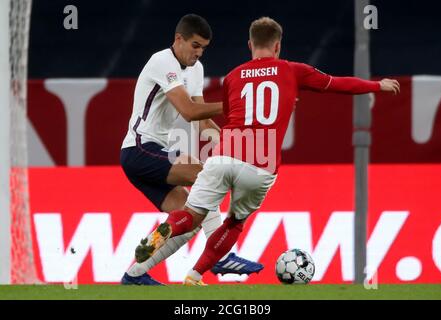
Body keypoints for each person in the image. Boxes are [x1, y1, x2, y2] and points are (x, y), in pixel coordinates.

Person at [134, 16, 401, 285]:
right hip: (260, 165)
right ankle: (194, 276)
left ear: (250, 44)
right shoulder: (293, 70)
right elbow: (336, 84)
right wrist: (377, 85)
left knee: (191, 217)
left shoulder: (232, 76)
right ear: (277, 46)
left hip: (224, 156)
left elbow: (234, 115)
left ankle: (166, 231)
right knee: (234, 223)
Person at [120, 14, 263, 286]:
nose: (198, 53)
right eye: (195, 45)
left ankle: (134, 275)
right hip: (138, 149)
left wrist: (235, 148)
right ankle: (221, 255)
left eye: (203, 48)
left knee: (190, 220)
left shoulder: (195, 69)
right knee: (204, 173)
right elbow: (188, 111)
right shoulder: (161, 61)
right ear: (179, 39)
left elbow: (201, 123)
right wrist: (234, 105)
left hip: (154, 153)